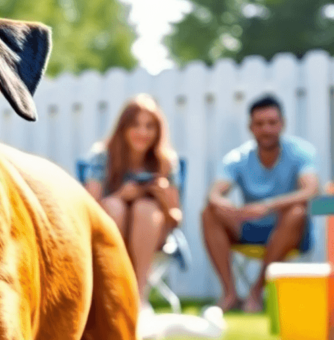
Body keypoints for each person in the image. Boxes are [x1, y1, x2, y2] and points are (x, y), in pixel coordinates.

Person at [202, 94, 319, 313]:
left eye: (272, 123)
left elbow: (311, 190)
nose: (266, 129)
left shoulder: (301, 152)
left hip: (292, 232)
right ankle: (230, 294)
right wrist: (225, 205)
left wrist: (268, 206)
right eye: (260, 123)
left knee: (296, 212)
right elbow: (214, 194)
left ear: (282, 124)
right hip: (251, 229)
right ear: (251, 127)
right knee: (210, 213)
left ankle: (256, 293)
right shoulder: (238, 157)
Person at [84, 94, 182, 310]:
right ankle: (109, 292)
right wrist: (120, 195)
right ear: (123, 127)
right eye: (136, 125)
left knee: (145, 208)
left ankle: (138, 298)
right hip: (111, 227)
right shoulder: (102, 156)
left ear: (158, 131)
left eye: (150, 126)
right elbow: (87, 211)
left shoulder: (166, 161)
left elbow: (175, 219)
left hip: (152, 233)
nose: (143, 133)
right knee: (114, 206)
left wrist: (164, 198)